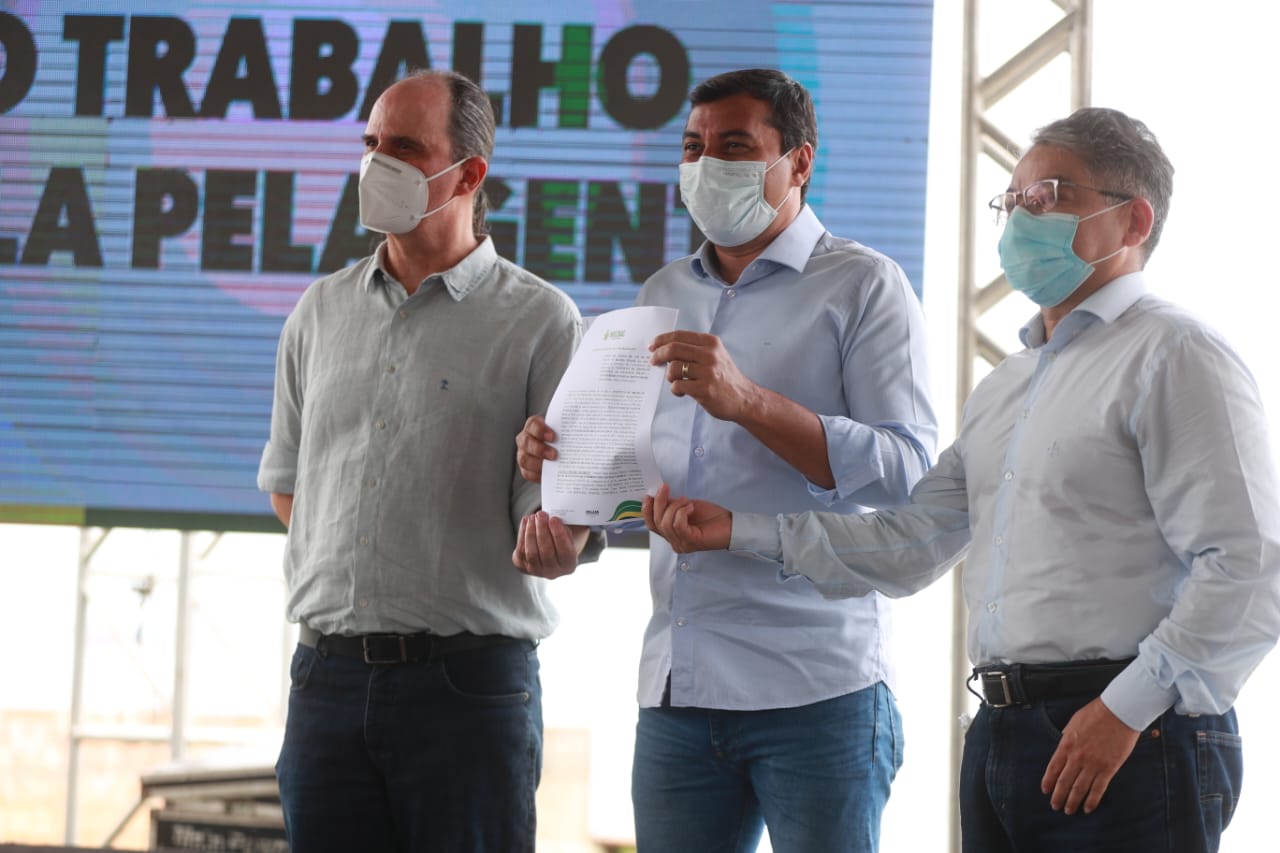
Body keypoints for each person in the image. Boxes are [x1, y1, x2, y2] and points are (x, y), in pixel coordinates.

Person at [644, 106, 1280, 853]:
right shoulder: (1009, 384)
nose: (1019, 217)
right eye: (1012, 200)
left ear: (1132, 220)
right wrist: (739, 531)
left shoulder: (1176, 354)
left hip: (1129, 729)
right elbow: (912, 542)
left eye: (1048, 197)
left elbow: (1250, 564)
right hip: (1004, 726)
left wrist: (1126, 710)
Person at [513, 68, 937, 852]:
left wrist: (750, 402)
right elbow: (639, 478)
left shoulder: (865, 286)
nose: (707, 165)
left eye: (735, 147)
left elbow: (910, 470)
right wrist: (564, 477)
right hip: (679, 685)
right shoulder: (663, 289)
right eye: (693, 146)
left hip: (817, 685)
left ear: (799, 164)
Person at [256, 69, 595, 852]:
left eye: (403, 148)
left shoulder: (543, 322)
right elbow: (290, 487)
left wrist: (556, 533)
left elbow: (554, 518)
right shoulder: (319, 310)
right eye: (371, 144)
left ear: (469, 174)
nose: (376, 165)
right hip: (325, 682)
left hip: (468, 688)